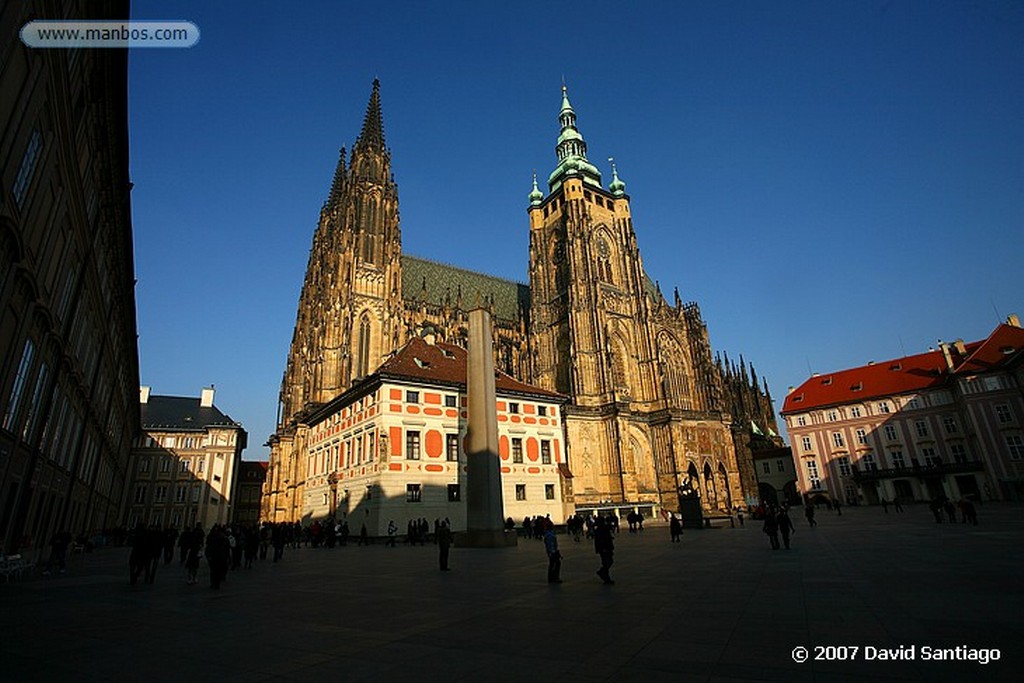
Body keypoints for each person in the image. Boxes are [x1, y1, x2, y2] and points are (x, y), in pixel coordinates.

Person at [594, 516, 615, 584]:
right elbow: (600, 540)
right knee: (607, 562)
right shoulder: (600, 529)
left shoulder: (602, 528)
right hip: (605, 549)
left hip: (606, 548)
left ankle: (604, 575)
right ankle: (604, 575)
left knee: (608, 561)